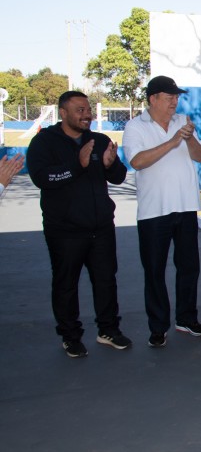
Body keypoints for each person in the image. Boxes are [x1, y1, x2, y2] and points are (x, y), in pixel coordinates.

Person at [26, 91, 131, 357]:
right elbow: (42, 178)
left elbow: (119, 176)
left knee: (106, 281)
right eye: (80, 110)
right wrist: (77, 164)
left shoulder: (99, 140)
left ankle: (108, 330)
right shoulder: (44, 142)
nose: (87, 115)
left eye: (88, 110)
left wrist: (109, 165)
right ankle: (70, 336)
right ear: (63, 113)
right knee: (66, 284)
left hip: (101, 228)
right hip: (65, 231)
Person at [123, 76, 201, 348]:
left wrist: (189, 138)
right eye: (169, 96)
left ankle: (186, 318)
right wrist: (172, 142)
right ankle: (158, 327)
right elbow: (137, 161)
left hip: (185, 207)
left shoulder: (183, 121)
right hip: (153, 211)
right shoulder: (135, 126)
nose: (175, 101)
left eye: (177, 96)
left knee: (189, 268)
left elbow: (199, 156)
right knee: (154, 271)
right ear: (152, 99)